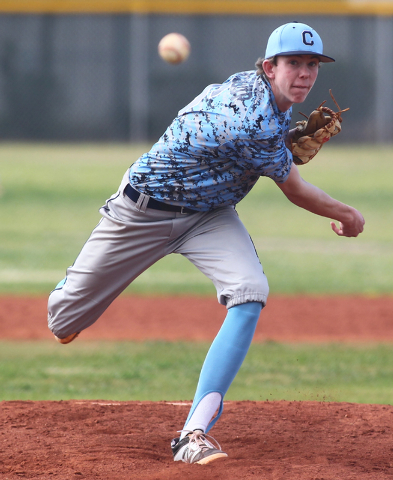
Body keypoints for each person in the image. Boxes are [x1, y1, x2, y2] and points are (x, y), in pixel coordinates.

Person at [47, 21, 365, 465]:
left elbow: (260, 143)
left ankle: (192, 436)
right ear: (270, 67)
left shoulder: (259, 97)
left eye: (313, 64)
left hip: (210, 216)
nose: (305, 73)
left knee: (250, 292)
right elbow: (294, 188)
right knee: (62, 321)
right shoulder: (249, 117)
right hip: (143, 212)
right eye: (294, 63)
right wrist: (348, 215)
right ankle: (69, 302)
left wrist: (284, 139)